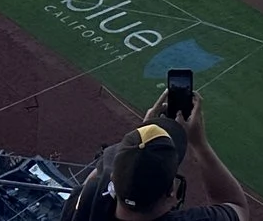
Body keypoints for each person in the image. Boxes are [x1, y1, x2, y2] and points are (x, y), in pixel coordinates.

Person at [99, 93, 248, 218]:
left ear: (112, 179)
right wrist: (199, 144)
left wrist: (143, 135)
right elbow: (237, 207)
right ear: (172, 191)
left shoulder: (85, 203)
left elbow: (97, 176)